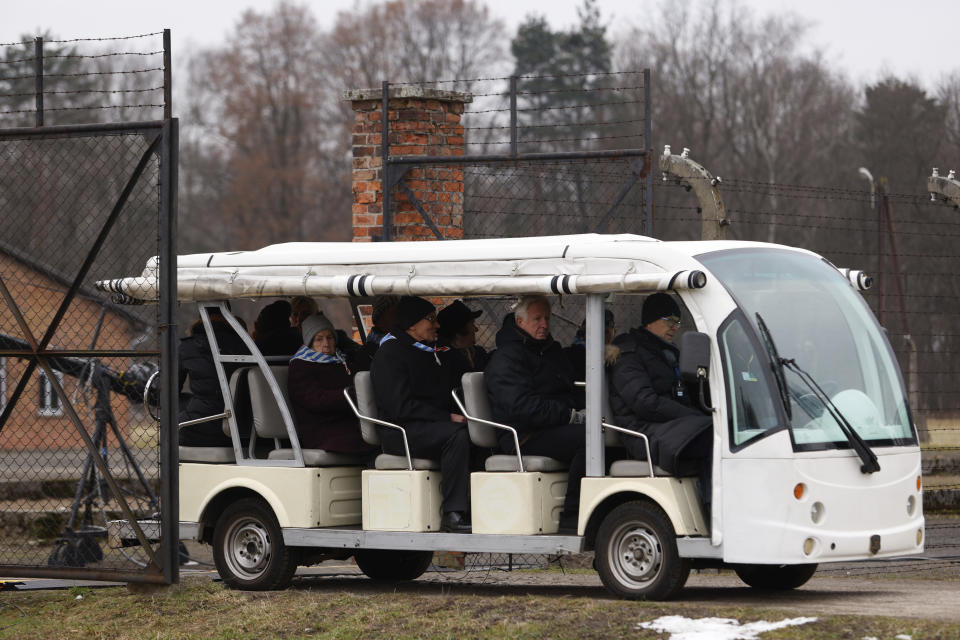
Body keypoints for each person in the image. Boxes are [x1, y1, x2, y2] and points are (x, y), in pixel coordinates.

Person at [483, 295, 586, 533]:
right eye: (537, 319)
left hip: (550, 426)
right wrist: (569, 415)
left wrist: (582, 410)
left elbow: (568, 389)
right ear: (520, 321)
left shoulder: (549, 351)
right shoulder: (506, 358)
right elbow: (521, 407)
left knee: (605, 435)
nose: (544, 325)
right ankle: (573, 518)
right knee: (589, 441)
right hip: (523, 435)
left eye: (547, 319)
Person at [370, 296, 473, 533]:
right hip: (401, 431)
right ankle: (453, 513)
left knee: (478, 432)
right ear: (411, 323)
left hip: (429, 426)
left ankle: (478, 503)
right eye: (431, 319)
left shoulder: (434, 351)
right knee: (457, 435)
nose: (437, 325)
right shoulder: (391, 353)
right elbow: (400, 407)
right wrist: (446, 417)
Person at [608, 292, 712, 509]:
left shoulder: (666, 352)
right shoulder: (629, 354)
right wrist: (693, 416)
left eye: (677, 322)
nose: (675, 327)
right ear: (650, 320)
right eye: (669, 321)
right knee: (713, 436)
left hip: (669, 427)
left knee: (727, 430)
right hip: (643, 432)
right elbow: (646, 404)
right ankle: (713, 507)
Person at [287, 313, 377, 455]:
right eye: (319, 339)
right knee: (370, 443)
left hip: (347, 423)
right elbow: (315, 400)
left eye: (329, 338)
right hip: (322, 429)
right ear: (310, 343)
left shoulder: (340, 360)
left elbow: (355, 378)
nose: (326, 344)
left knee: (381, 436)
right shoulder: (300, 366)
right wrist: (350, 395)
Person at [178, 310, 249, 447]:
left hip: (201, 426)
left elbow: (168, 390)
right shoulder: (244, 345)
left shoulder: (188, 347)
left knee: (176, 405)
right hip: (244, 427)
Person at [437, 299, 489, 390]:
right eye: (472, 324)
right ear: (459, 332)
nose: (476, 329)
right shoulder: (442, 361)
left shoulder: (479, 353)